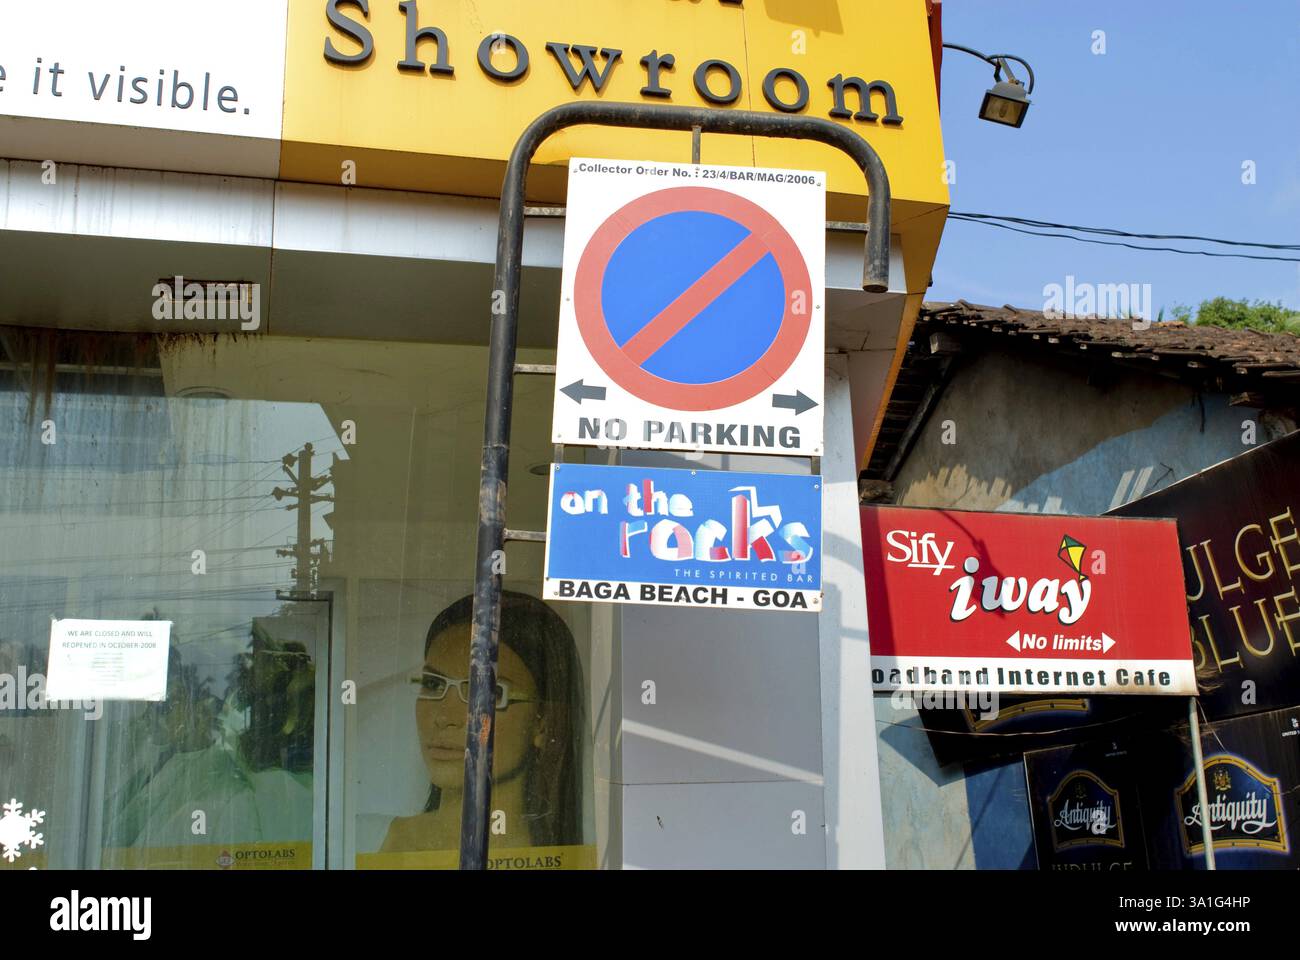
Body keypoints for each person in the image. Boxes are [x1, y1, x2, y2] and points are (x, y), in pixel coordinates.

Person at [381, 591, 583, 853]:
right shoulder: (392, 839)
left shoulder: (564, 856)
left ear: (543, 723)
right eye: (433, 684)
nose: (444, 717)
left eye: (485, 692)